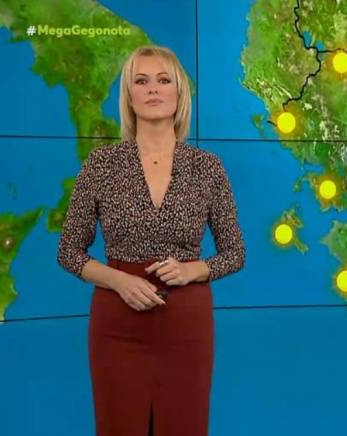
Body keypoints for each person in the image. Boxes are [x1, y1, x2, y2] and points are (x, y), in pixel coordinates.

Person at [56, 45, 245, 436]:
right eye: (141, 81)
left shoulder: (207, 168)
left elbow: (235, 253)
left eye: (163, 80)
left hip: (186, 324)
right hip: (117, 325)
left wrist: (193, 270)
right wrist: (119, 281)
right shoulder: (101, 165)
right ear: (129, 96)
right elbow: (69, 252)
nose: (153, 89)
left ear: (179, 93)